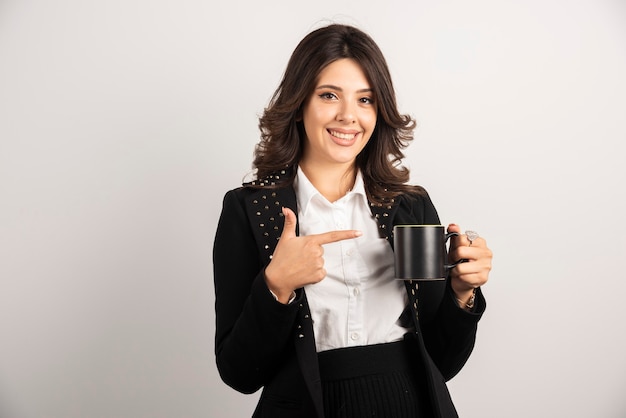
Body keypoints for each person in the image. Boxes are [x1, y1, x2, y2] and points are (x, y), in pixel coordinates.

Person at [213, 23, 492, 418]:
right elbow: (239, 373)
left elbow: (441, 362)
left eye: (365, 100)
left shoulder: (409, 207)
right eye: (329, 95)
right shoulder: (250, 210)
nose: (349, 116)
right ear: (299, 104)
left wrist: (461, 293)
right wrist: (276, 287)